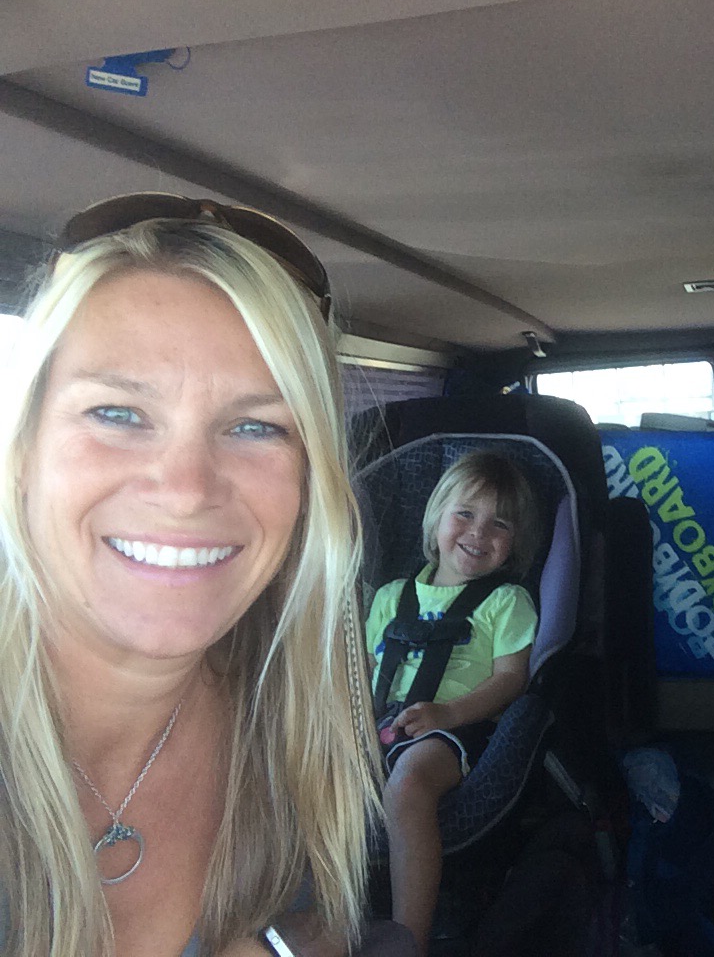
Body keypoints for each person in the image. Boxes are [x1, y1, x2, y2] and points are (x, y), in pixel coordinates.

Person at [0, 194, 391, 956]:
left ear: (310, 481)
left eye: (255, 427)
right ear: (22, 451)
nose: (185, 490)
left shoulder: (292, 720)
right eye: (117, 413)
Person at [365, 450, 542, 955]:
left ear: (514, 543)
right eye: (465, 513)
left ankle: (408, 940)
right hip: (376, 724)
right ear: (436, 518)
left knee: (408, 785)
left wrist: (448, 713)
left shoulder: (506, 602)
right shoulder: (390, 596)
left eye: (499, 523)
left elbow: (511, 680)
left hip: (454, 728)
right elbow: (362, 670)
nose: (478, 532)